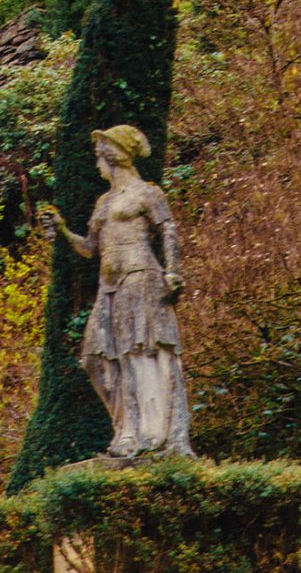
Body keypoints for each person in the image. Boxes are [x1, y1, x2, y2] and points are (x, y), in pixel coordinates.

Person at [40, 123, 194, 461]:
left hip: (141, 277)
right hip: (109, 286)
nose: (97, 164)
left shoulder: (147, 193)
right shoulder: (104, 201)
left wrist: (173, 272)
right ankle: (126, 427)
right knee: (96, 359)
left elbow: (168, 230)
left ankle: (147, 434)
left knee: (141, 352)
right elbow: (90, 248)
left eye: (100, 156)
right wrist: (63, 230)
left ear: (115, 157)